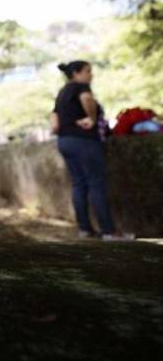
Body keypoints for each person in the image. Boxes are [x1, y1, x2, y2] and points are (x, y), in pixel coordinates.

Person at [50, 61, 132, 241]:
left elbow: (54, 119)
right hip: (84, 140)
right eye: (87, 71)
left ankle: (85, 230)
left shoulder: (62, 93)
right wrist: (92, 119)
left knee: (78, 184)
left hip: (65, 141)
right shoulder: (81, 86)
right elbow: (87, 99)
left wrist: (62, 128)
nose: (90, 75)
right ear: (76, 73)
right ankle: (109, 231)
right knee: (96, 184)